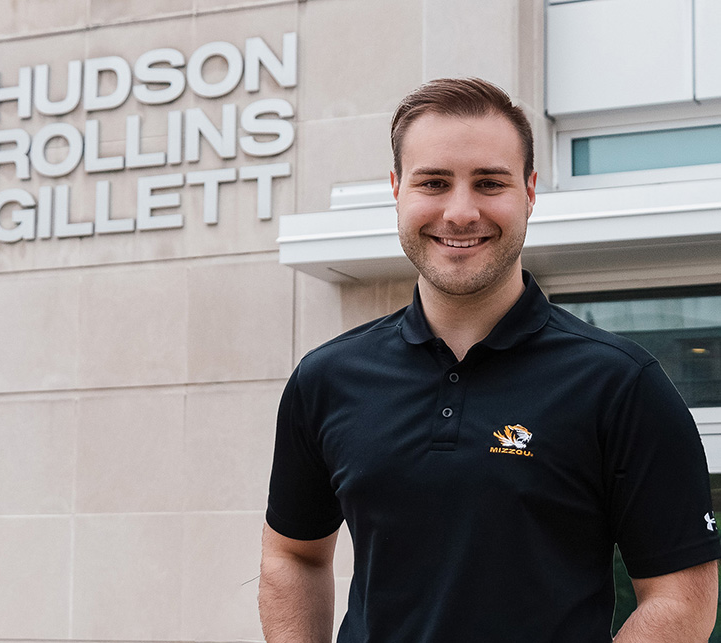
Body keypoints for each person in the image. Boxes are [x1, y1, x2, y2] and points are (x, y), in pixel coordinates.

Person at [259, 78, 720, 642]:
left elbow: (682, 597)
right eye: (433, 182)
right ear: (397, 189)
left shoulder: (620, 384)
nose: (460, 212)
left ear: (528, 191)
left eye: (488, 182)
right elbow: (294, 555)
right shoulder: (326, 380)